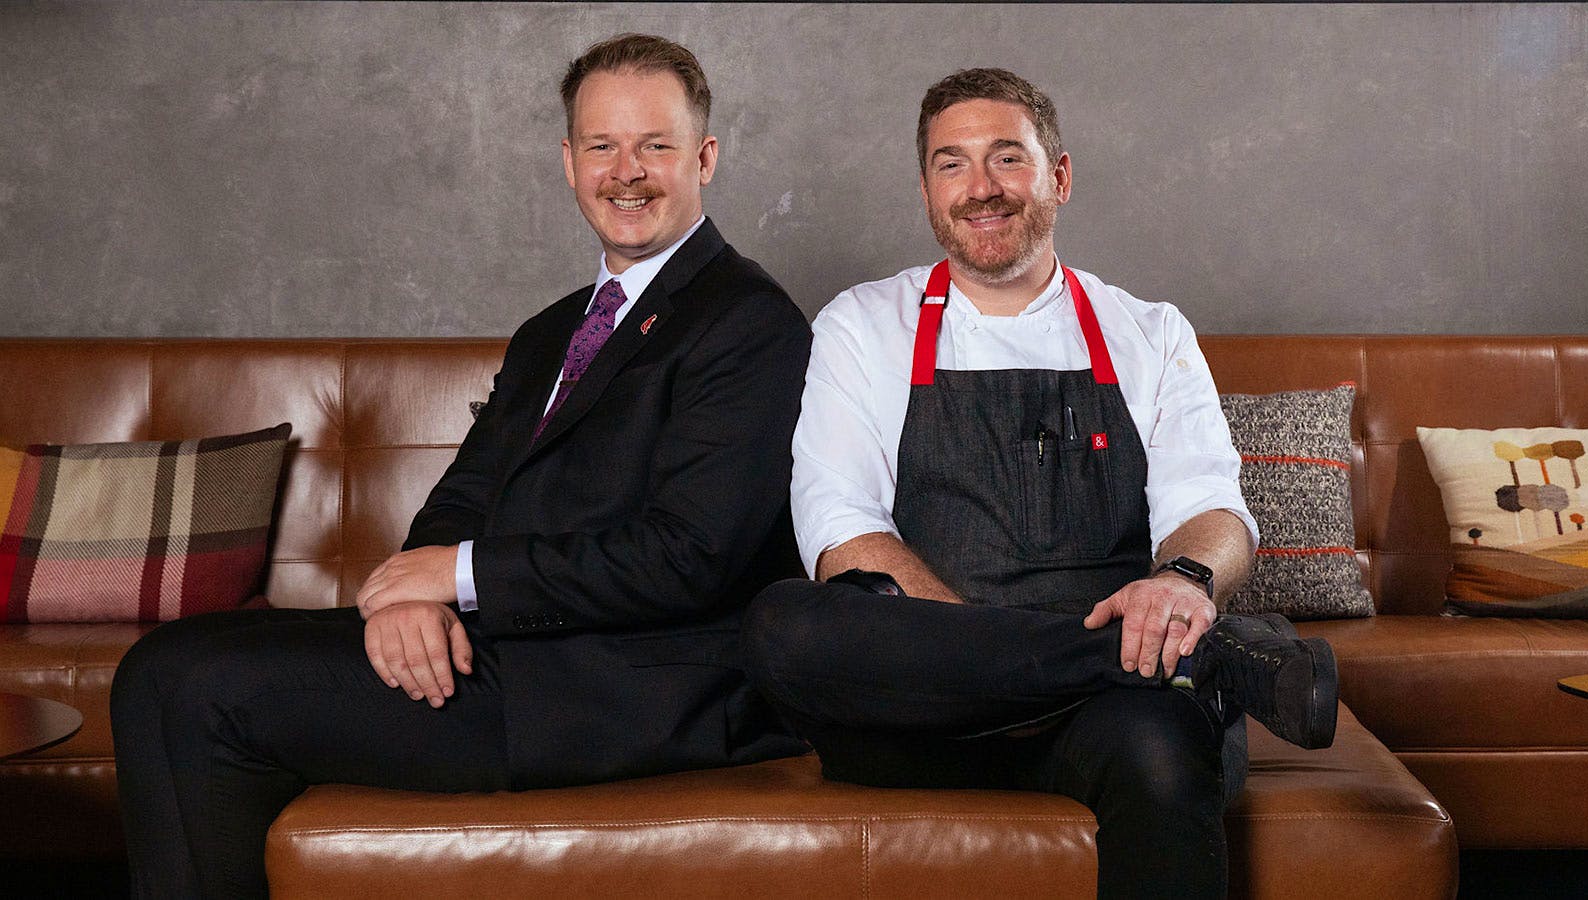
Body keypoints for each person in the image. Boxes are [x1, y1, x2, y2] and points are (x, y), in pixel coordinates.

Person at [111, 34, 810, 899]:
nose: (625, 172)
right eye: (602, 146)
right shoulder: (553, 331)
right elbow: (468, 494)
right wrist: (414, 593)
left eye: (654, 146)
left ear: (704, 157)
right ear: (567, 161)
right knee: (162, 661)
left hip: (621, 692)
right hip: (507, 649)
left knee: (204, 693)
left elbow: (686, 556)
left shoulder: (751, 323)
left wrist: (459, 575)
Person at [740, 68, 1338, 899]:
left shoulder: (1150, 332)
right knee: (783, 623)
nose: (980, 189)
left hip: (1110, 716)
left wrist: (1183, 580)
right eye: (952, 164)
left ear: (1058, 176)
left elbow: (1212, 510)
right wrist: (978, 657)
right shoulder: (861, 324)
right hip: (928, 699)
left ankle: (1155, 666)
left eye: (1006, 159)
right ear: (925, 192)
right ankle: (1195, 662)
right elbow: (841, 533)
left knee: (1164, 747)